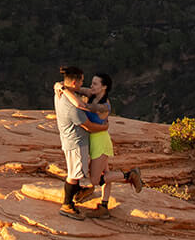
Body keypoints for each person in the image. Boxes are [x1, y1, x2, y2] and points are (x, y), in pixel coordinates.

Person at [80, 72, 142, 215]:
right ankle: (104, 206)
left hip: (100, 142)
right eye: (92, 82)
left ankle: (129, 175)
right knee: (106, 174)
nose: (91, 85)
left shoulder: (104, 106)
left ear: (104, 87)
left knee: (95, 179)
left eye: (95, 84)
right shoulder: (95, 95)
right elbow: (82, 90)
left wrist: (68, 94)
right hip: (99, 140)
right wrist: (64, 86)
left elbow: (83, 107)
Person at [53, 66, 94, 217]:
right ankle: (67, 205)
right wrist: (103, 127)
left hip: (69, 140)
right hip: (76, 142)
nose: (83, 84)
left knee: (76, 171)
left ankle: (77, 191)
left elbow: (61, 85)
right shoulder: (73, 107)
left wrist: (60, 85)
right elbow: (87, 125)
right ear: (75, 82)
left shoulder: (61, 92)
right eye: (82, 81)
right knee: (74, 174)